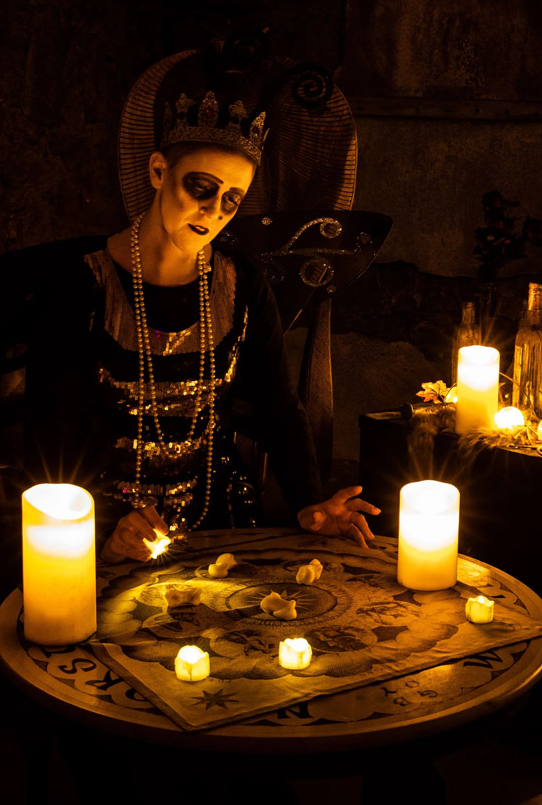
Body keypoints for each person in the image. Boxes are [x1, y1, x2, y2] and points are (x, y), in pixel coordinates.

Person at [24, 78, 377, 561]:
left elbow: (278, 405)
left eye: (231, 198)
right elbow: (50, 430)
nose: (212, 210)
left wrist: (309, 503)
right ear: (158, 171)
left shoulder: (241, 283)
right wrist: (99, 529)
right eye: (201, 187)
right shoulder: (82, 284)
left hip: (218, 523)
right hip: (104, 532)